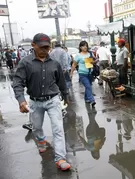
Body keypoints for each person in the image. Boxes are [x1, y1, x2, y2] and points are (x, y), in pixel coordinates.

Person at [12, 33, 71, 170]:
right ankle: (40, 140)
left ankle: (60, 158)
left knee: (58, 129)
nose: (45, 50)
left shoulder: (54, 63)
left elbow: (61, 82)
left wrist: (66, 96)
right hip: (35, 102)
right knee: (36, 127)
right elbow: (18, 83)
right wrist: (21, 101)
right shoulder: (25, 63)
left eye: (47, 48)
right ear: (33, 46)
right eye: (42, 47)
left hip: (53, 100)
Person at [71, 41, 96, 108]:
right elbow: (74, 64)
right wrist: (71, 73)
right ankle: (92, 100)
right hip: (82, 74)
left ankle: (86, 98)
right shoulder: (78, 55)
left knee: (88, 86)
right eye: (83, 46)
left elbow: (94, 62)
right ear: (80, 47)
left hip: (90, 73)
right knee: (88, 86)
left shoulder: (90, 53)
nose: (85, 47)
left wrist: (93, 62)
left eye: (86, 45)